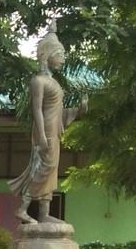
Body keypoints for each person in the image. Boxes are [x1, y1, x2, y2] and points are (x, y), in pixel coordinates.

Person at [11, 28, 86, 224]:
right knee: (45, 167)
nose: (63, 59)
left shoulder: (54, 83)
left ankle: (44, 213)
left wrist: (78, 110)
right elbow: (37, 109)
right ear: (47, 55)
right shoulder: (38, 81)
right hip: (45, 132)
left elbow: (59, 112)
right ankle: (23, 208)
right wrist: (42, 136)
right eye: (59, 54)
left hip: (54, 129)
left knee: (51, 172)